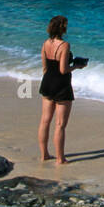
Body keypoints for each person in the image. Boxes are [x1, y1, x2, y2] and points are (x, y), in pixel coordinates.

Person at [38, 15, 79, 164]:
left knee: (45, 121)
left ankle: (44, 155)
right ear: (62, 28)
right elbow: (63, 69)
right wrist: (76, 66)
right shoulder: (64, 45)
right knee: (60, 124)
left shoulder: (45, 43)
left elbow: (44, 67)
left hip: (47, 82)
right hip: (62, 85)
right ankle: (60, 159)